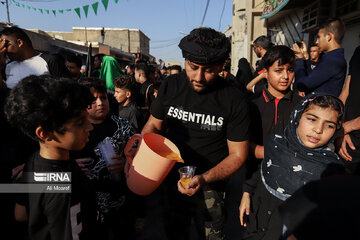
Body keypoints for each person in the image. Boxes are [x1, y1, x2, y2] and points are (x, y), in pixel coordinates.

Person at [142, 27, 250, 240]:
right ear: (185, 61)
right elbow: (153, 126)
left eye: (209, 69)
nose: (199, 76)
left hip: (211, 186)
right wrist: (141, 151)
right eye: (193, 67)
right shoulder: (170, 85)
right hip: (170, 179)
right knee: (174, 232)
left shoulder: (234, 99)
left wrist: (204, 178)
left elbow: (238, 155)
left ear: (221, 66)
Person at [239, 93, 345, 240]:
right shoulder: (276, 145)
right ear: (297, 117)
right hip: (257, 223)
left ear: (336, 131)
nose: (318, 130)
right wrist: (246, 193)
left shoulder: (332, 170)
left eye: (329, 125)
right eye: (312, 119)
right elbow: (264, 169)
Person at [5, 75, 98, 240]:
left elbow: (20, 213)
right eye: (79, 122)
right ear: (45, 133)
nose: (89, 126)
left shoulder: (35, 161)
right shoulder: (63, 189)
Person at [73, 77, 135, 240]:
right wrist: (71, 166)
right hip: (84, 203)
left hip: (119, 201)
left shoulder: (123, 126)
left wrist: (127, 164)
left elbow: (140, 158)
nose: (100, 103)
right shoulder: (71, 129)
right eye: (93, 99)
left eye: (103, 97)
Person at [247, 45, 302, 174]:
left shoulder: (301, 105)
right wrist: (275, 152)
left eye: (290, 70)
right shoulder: (252, 104)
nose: (285, 76)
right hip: (254, 173)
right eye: (279, 70)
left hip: (290, 173)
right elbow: (241, 144)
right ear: (265, 73)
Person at [293, 18, 347, 96]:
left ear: (329, 36)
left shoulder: (332, 60)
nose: (316, 42)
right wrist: (306, 58)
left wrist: (299, 59)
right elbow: (312, 78)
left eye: (319, 37)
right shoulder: (333, 57)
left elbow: (303, 85)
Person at [0, 26, 68, 88]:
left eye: (6, 45)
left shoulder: (51, 61)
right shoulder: (7, 66)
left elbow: (67, 91)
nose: (3, 49)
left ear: (19, 42)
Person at [337, 45, 360, 175]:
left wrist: (347, 127)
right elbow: (346, 91)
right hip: (348, 142)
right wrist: (339, 128)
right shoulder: (358, 51)